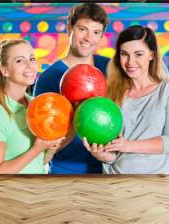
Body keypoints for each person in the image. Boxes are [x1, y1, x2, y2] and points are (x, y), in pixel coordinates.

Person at [83, 25, 169, 174]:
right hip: (114, 182)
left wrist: (127, 145)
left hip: (154, 183)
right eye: (124, 54)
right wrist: (102, 155)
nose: (130, 62)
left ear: (151, 54)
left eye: (138, 54)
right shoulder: (112, 92)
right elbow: (115, 155)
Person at [33, 3, 110, 174]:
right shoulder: (48, 78)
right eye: (83, 29)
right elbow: (45, 145)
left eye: (96, 32)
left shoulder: (110, 69)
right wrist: (77, 116)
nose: (89, 38)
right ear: (70, 28)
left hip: (109, 167)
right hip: (66, 169)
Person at [0, 39, 65, 174]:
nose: (30, 65)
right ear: (5, 70)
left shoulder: (36, 105)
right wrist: (36, 149)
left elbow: (40, 161)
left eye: (31, 59)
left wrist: (50, 148)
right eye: (19, 60)